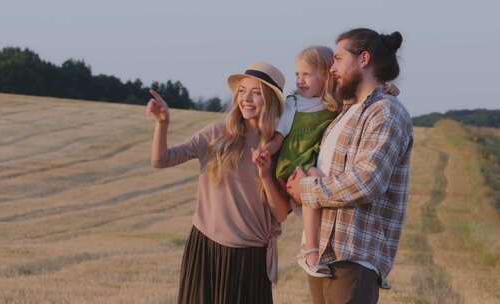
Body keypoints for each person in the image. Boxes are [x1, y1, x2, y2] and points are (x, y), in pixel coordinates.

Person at [286, 28, 414, 304]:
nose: (332, 68)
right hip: (325, 254)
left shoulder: (386, 112)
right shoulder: (346, 112)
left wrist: (306, 189)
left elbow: (367, 182)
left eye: (338, 59)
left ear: (363, 59)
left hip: (354, 256)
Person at [147, 62, 290, 304]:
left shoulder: (279, 148)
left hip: (250, 255)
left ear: (270, 100)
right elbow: (161, 160)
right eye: (242, 91)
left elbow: (281, 213)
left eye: (256, 92)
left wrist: (265, 175)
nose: (246, 98)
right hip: (206, 247)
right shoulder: (216, 134)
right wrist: (162, 124)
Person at [254, 46, 399, 278]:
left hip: (311, 162)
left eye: (307, 74)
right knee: (315, 185)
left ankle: (320, 247)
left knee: (320, 188)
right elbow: (279, 137)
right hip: (295, 163)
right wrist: (266, 152)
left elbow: (365, 97)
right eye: (297, 75)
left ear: (326, 75)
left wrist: (386, 88)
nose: (300, 81)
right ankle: (311, 251)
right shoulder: (293, 104)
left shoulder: (336, 103)